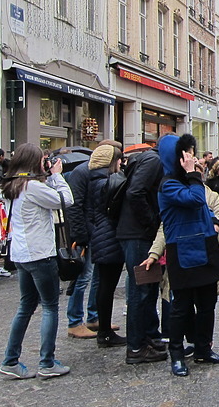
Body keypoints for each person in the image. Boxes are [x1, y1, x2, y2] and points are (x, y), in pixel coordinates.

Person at [145, 134, 219, 377]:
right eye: (187, 152)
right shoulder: (168, 184)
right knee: (180, 306)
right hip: (182, 250)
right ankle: (177, 354)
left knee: (207, 303)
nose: (192, 157)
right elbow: (195, 200)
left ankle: (203, 348)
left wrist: (215, 220)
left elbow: (206, 208)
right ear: (177, 156)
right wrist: (194, 174)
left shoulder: (191, 181)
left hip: (204, 246)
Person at [0, 143, 74, 379]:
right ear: (34, 162)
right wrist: (57, 176)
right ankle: (47, 362)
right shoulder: (31, 187)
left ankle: (10, 360)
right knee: (50, 306)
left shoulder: (7, 186)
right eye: (42, 160)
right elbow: (65, 200)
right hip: (40, 254)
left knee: (25, 306)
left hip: (20, 254)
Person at [65, 140, 124, 340]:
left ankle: (94, 317)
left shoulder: (101, 173)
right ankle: (75, 321)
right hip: (90, 232)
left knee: (98, 279)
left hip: (96, 231)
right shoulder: (84, 172)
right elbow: (75, 205)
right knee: (83, 277)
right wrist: (81, 235)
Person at [116, 143, 167, 364]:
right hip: (137, 234)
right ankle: (136, 347)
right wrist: (151, 223)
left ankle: (148, 336)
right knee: (140, 290)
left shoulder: (148, 160)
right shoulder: (153, 161)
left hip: (137, 233)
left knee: (147, 288)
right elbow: (135, 192)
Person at [84, 145, 127, 348]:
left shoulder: (93, 180)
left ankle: (104, 331)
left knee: (104, 285)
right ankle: (105, 332)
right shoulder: (107, 183)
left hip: (100, 235)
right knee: (107, 286)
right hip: (109, 237)